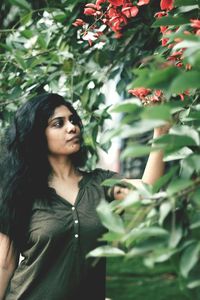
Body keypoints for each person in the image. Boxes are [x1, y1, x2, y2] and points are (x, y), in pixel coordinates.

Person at [0, 93, 168, 300]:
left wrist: (161, 130)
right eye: (58, 123)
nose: (72, 127)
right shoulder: (20, 193)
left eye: (73, 120)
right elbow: (5, 265)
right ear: (36, 135)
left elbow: (148, 190)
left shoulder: (100, 184)